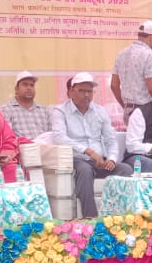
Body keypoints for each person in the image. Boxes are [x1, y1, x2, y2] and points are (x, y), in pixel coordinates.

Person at [51, 72, 133, 218]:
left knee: (126, 169)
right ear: (71, 92)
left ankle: (119, 217)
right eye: (82, 90)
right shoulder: (60, 111)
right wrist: (88, 151)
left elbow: (111, 139)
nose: (86, 95)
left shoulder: (100, 111)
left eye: (89, 91)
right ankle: (90, 219)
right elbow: (59, 137)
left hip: (99, 161)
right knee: (85, 170)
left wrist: (112, 159)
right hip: (77, 159)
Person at [111, 20, 152, 119]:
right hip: (146, 111)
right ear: (151, 37)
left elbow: (114, 85)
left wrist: (125, 106)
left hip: (128, 110)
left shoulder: (121, 53)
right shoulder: (150, 55)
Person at [1, 71, 51, 140]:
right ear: (16, 89)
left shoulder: (44, 111)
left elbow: (51, 135)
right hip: (21, 146)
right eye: (25, 85)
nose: (29, 88)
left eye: (32, 85)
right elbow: (8, 137)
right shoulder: (6, 110)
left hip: (45, 146)